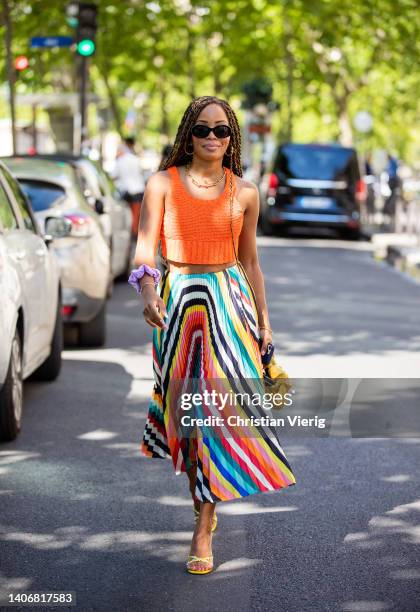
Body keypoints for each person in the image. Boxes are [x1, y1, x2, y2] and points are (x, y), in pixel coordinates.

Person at [129, 95, 296, 575]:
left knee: (218, 412)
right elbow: (144, 248)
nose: (210, 138)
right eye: (201, 130)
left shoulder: (244, 192)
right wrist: (147, 293)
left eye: (220, 131)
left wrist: (265, 323)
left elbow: (251, 263)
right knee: (189, 415)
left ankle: (203, 525)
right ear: (188, 134)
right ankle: (203, 494)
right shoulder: (161, 183)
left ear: (232, 137)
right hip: (179, 302)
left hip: (228, 305)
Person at [113, 136, 146, 239]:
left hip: (127, 191)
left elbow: (113, 176)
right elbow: (141, 173)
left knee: (130, 214)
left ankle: (132, 233)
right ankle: (135, 233)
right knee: (136, 214)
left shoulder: (120, 161)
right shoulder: (135, 159)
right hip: (138, 190)